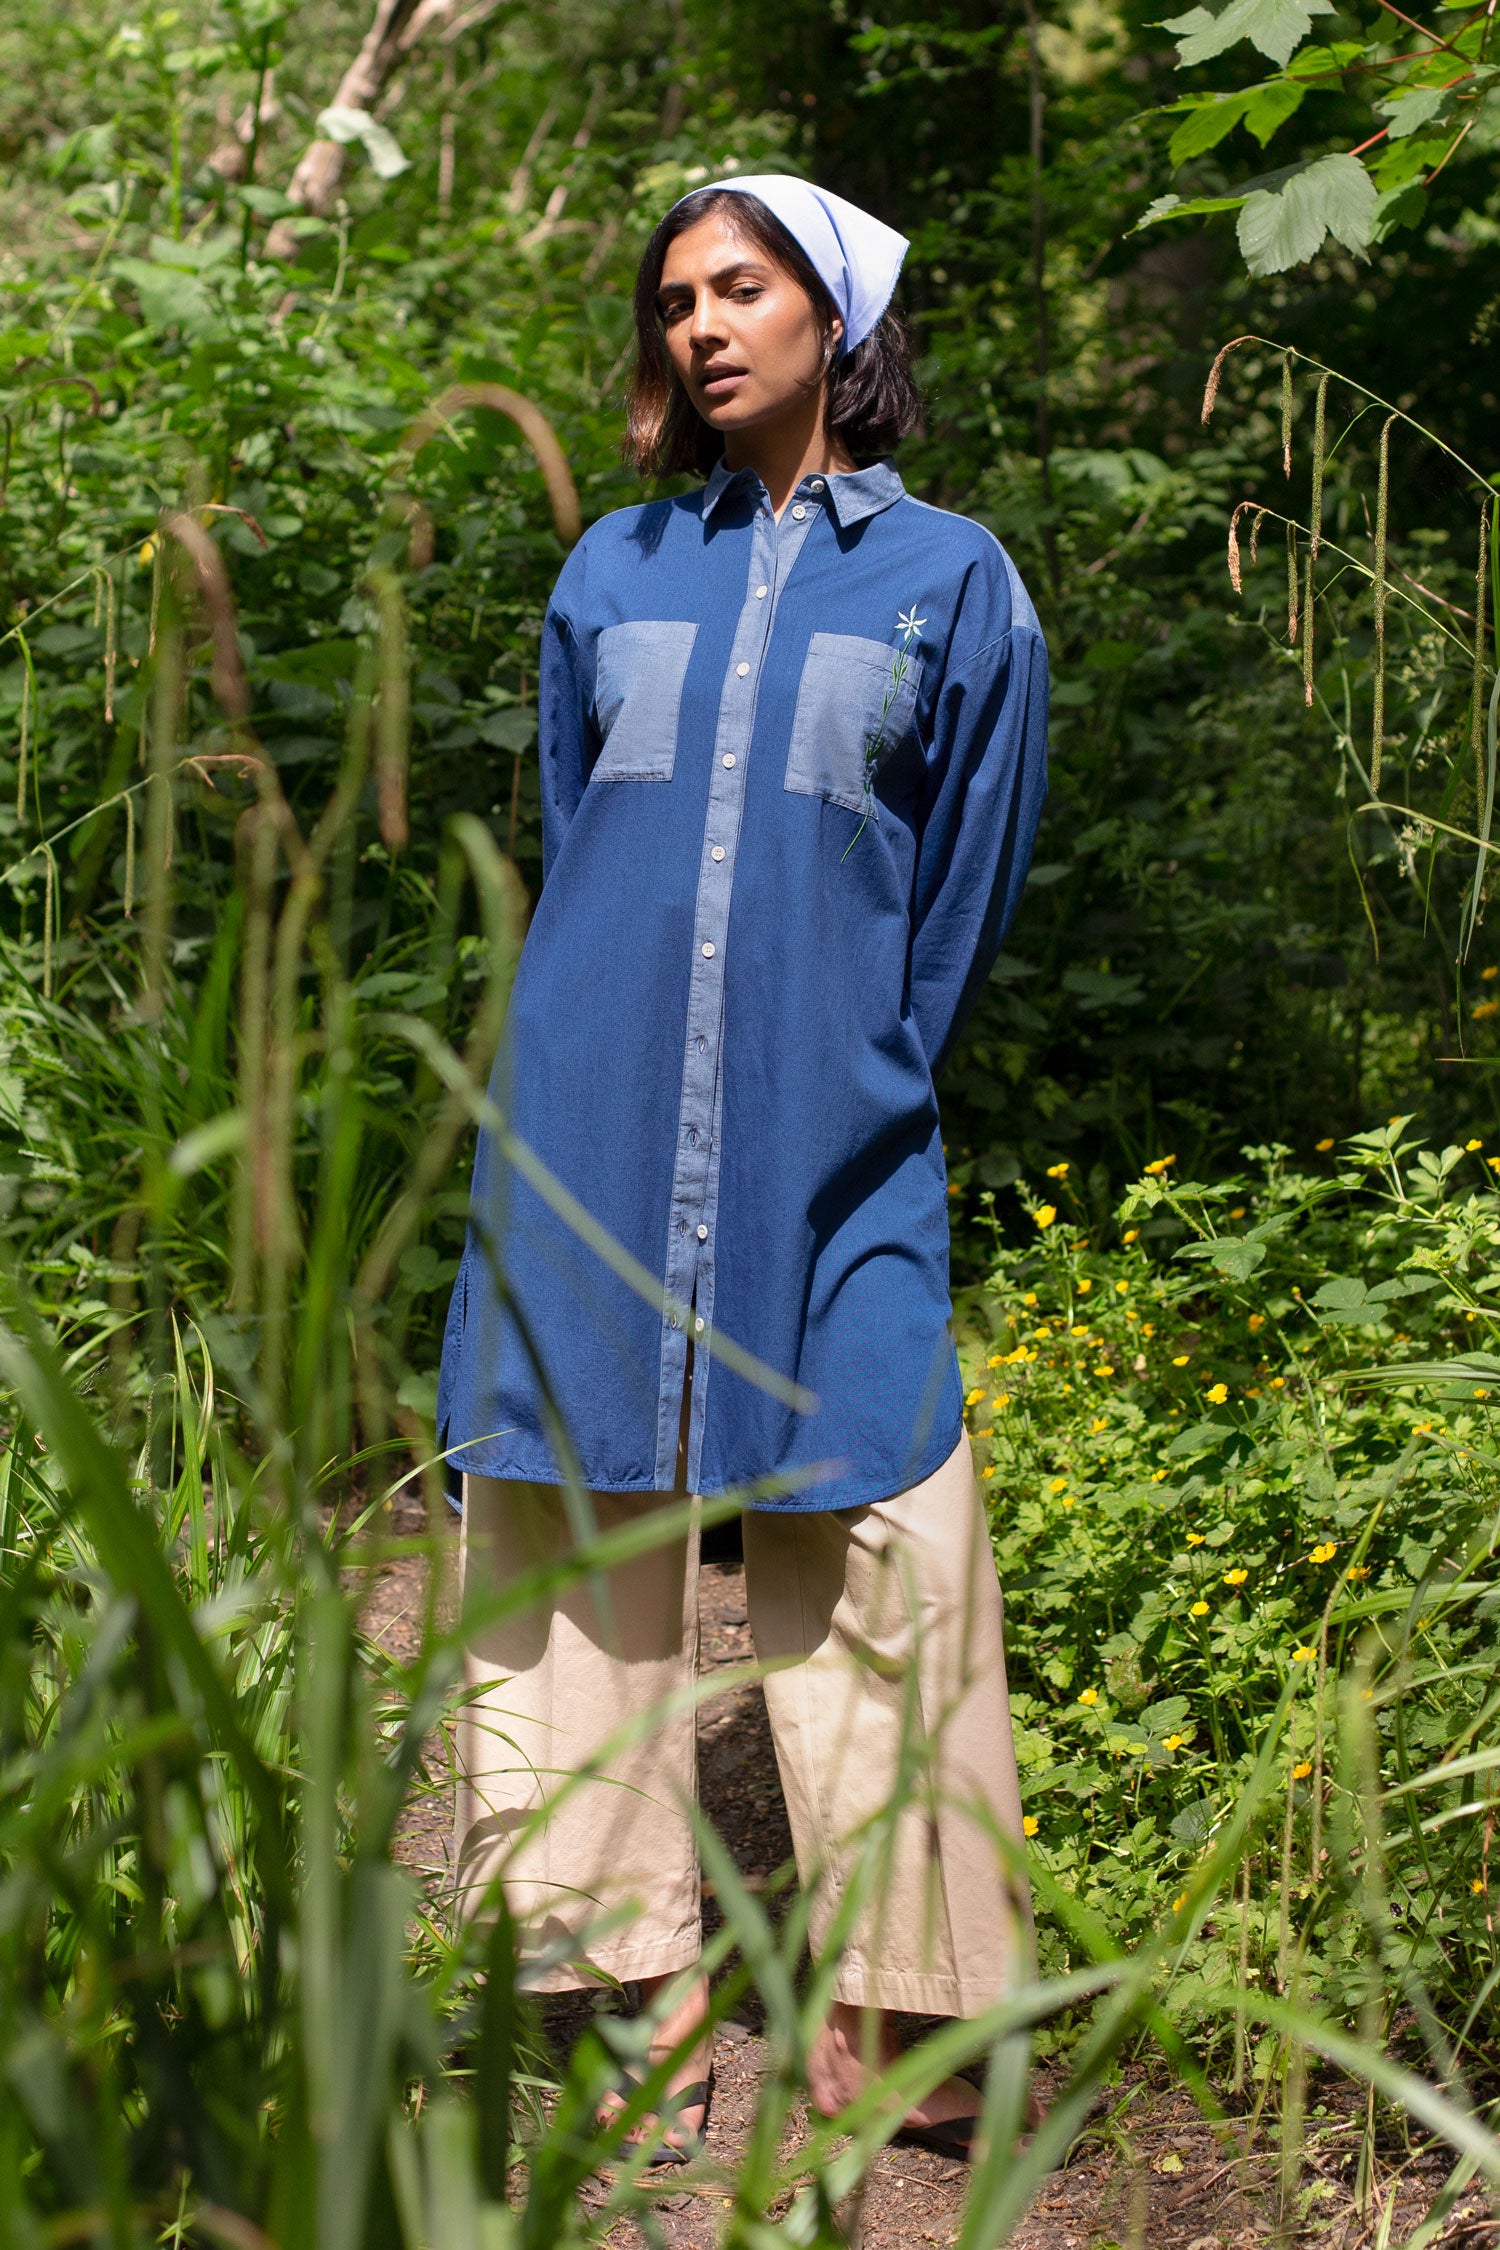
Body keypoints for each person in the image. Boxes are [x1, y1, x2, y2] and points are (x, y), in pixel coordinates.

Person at [438, 172, 1049, 2164]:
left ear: (836, 316)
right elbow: (575, 844)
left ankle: (896, 1993)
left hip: (832, 1114)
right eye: (678, 299)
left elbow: (958, 891)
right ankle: (625, 1966)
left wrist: (848, 1070)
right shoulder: (610, 573)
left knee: (880, 1508)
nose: (704, 327)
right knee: (587, 1512)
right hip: (592, 1115)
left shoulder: (955, 581)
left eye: (746, 288)